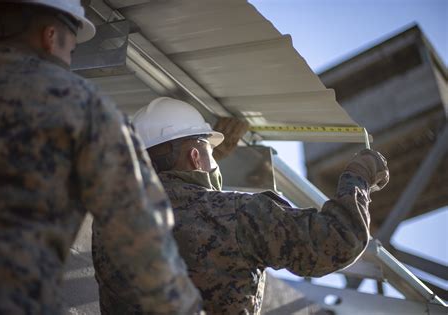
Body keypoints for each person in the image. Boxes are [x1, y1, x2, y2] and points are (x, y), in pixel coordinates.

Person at [0, 1, 200, 314]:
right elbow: (142, 237)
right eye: (73, 48)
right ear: (50, 36)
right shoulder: (83, 107)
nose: (69, 59)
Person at [132, 97, 390, 315]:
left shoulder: (111, 226)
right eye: (210, 152)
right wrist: (360, 175)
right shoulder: (240, 214)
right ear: (195, 157)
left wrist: (197, 166)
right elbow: (340, 239)